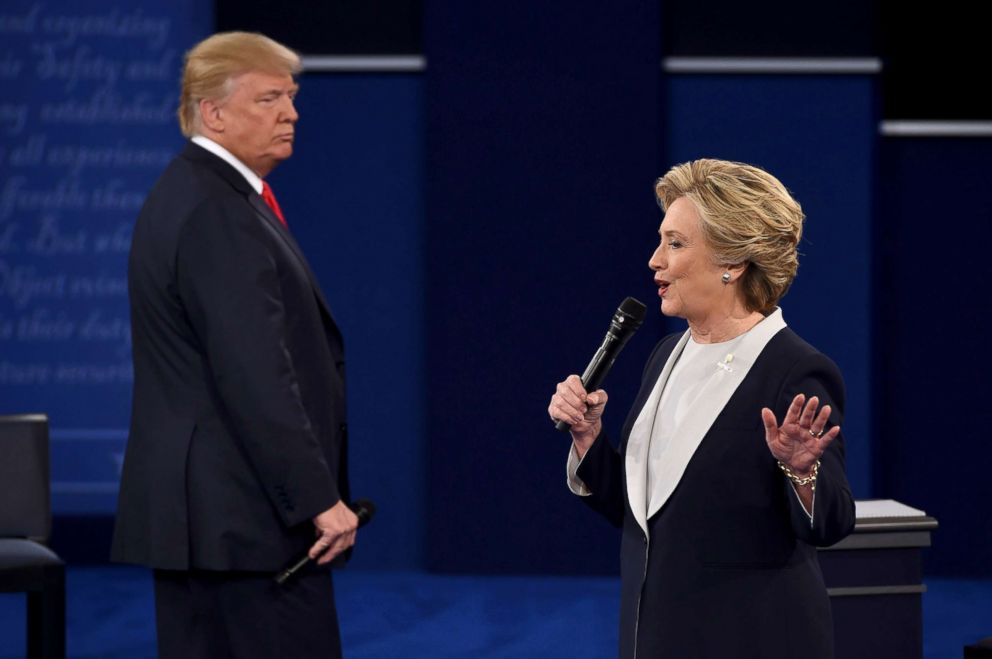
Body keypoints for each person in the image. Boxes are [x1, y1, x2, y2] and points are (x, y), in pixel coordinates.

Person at [548, 159, 855, 659]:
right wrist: (587, 439)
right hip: (656, 639)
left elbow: (830, 525)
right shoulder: (665, 355)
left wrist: (802, 472)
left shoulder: (796, 371)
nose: (654, 260)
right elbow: (648, 516)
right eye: (661, 240)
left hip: (750, 641)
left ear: (732, 260)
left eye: (675, 243)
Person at [112, 32, 356, 659]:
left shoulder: (202, 195)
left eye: (293, 97)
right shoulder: (214, 210)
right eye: (270, 98)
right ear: (213, 112)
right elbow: (255, 375)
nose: (291, 113)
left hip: (218, 525)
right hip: (243, 529)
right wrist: (317, 500)